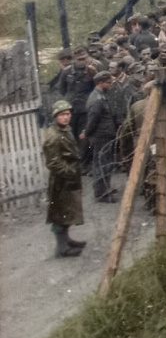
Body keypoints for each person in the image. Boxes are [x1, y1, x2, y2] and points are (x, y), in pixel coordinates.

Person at [42, 100, 86, 257]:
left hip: (69, 177)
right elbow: (53, 162)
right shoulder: (53, 136)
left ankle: (66, 240)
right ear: (55, 117)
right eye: (62, 115)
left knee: (68, 211)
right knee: (60, 212)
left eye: (68, 114)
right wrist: (69, 172)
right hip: (61, 181)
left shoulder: (65, 130)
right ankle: (62, 248)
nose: (66, 117)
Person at [81, 71, 121, 202]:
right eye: (108, 83)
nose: (110, 85)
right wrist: (86, 133)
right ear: (100, 83)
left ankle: (105, 188)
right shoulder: (97, 100)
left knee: (104, 163)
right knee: (102, 164)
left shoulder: (100, 96)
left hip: (104, 136)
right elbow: (93, 120)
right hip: (101, 137)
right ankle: (101, 193)